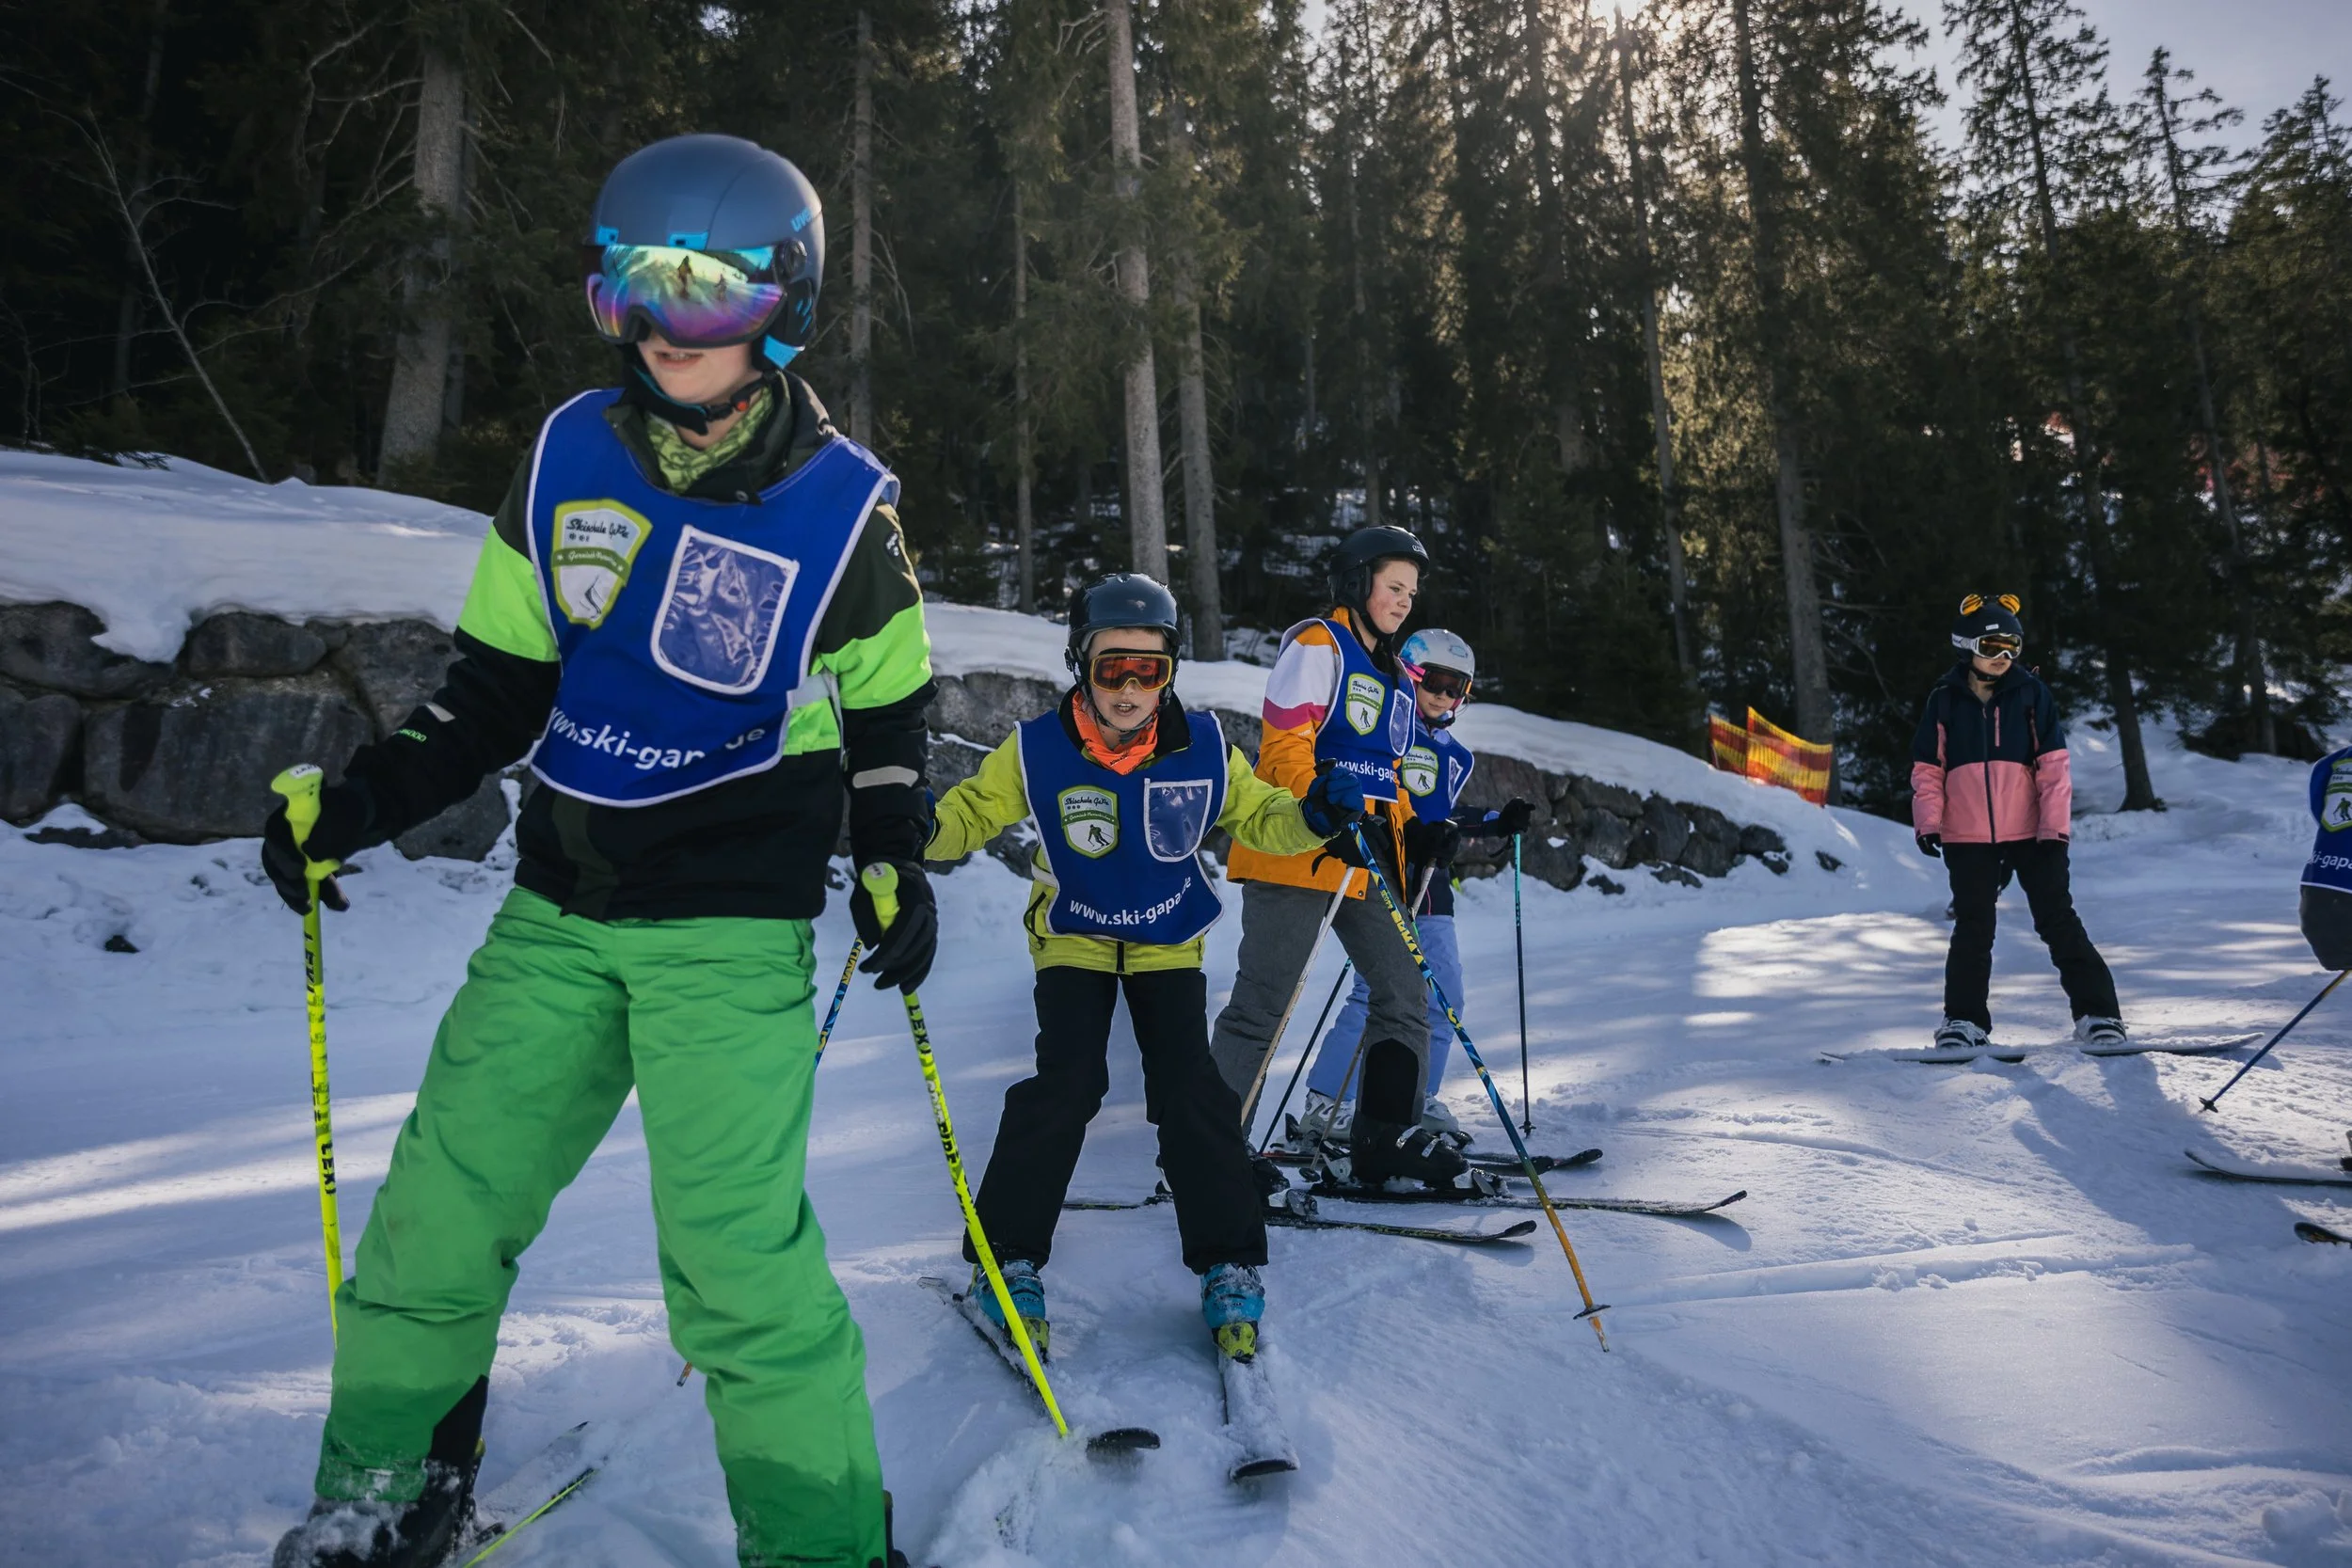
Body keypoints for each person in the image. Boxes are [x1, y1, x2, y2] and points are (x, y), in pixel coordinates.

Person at [262, 135, 934, 1568]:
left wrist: (894, 850)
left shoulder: (842, 512)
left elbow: (889, 706)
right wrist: (363, 801)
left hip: (730, 924)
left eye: (699, 293)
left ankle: (823, 1541)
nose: (660, 326)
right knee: (441, 1211)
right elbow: (493, 687)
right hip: (561, 902)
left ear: (781, 307)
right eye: (634, 286)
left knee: (736, 1266)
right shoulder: (570, 453)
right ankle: (388, 1488)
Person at [922, 574, 1363, 1362]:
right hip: (1076, 937)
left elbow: (1262, 813)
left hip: (1166, 939)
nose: (1129, 688)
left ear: (1171, 672)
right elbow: (971, 813)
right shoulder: (1038, 748)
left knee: (1190, 1087)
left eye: (1148, 670)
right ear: (1079, 664)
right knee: (1068, 1081)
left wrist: (1314, 815)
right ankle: (1008, 1258)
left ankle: (1228, 1257)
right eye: (1110, 667)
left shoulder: (1201, 746)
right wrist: (917, 829)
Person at [1207, 525, 1468, 1190]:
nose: (1405, 600)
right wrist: (1322, 807)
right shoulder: (1317, 646)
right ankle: (1208, 1149)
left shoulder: (1397, 678)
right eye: (1393, 585)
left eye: (1412, 590)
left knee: (1405, 993)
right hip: (1298, 848)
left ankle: (1384, 1137)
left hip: (1366, 858)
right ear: (1358, 582)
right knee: (1263, 1003)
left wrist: (1420, 834)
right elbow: (1285, 747)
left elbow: (1391, 779)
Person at [1287, 628, 1534, 1160]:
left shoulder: (1457, 756)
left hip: (1433, 887)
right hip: (1387, 876)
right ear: (1411, 676)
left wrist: (1496, 822)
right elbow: (1382, 797)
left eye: (1456, 688)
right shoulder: (1388, 733)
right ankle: (1326, 1102)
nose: (1444, 696)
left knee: (1445, 997)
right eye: (1435, 683)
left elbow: (1444, 816)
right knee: (1377, 993)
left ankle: (1417, 1099)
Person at [1910, 594, 2122, 1053]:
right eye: (1993, 649)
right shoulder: (1944, 700)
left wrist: (2054, 828)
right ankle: (1963, 1022)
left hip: (2033, 832)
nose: (2004, 659)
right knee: (1973, 927)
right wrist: (1929, 821)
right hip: (1968, 835)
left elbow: (2054, 766)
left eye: (2012, 649)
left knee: (2056, 918)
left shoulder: (2031, 694)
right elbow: (1929, 768)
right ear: (1968, 647)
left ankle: (2099, 1014)